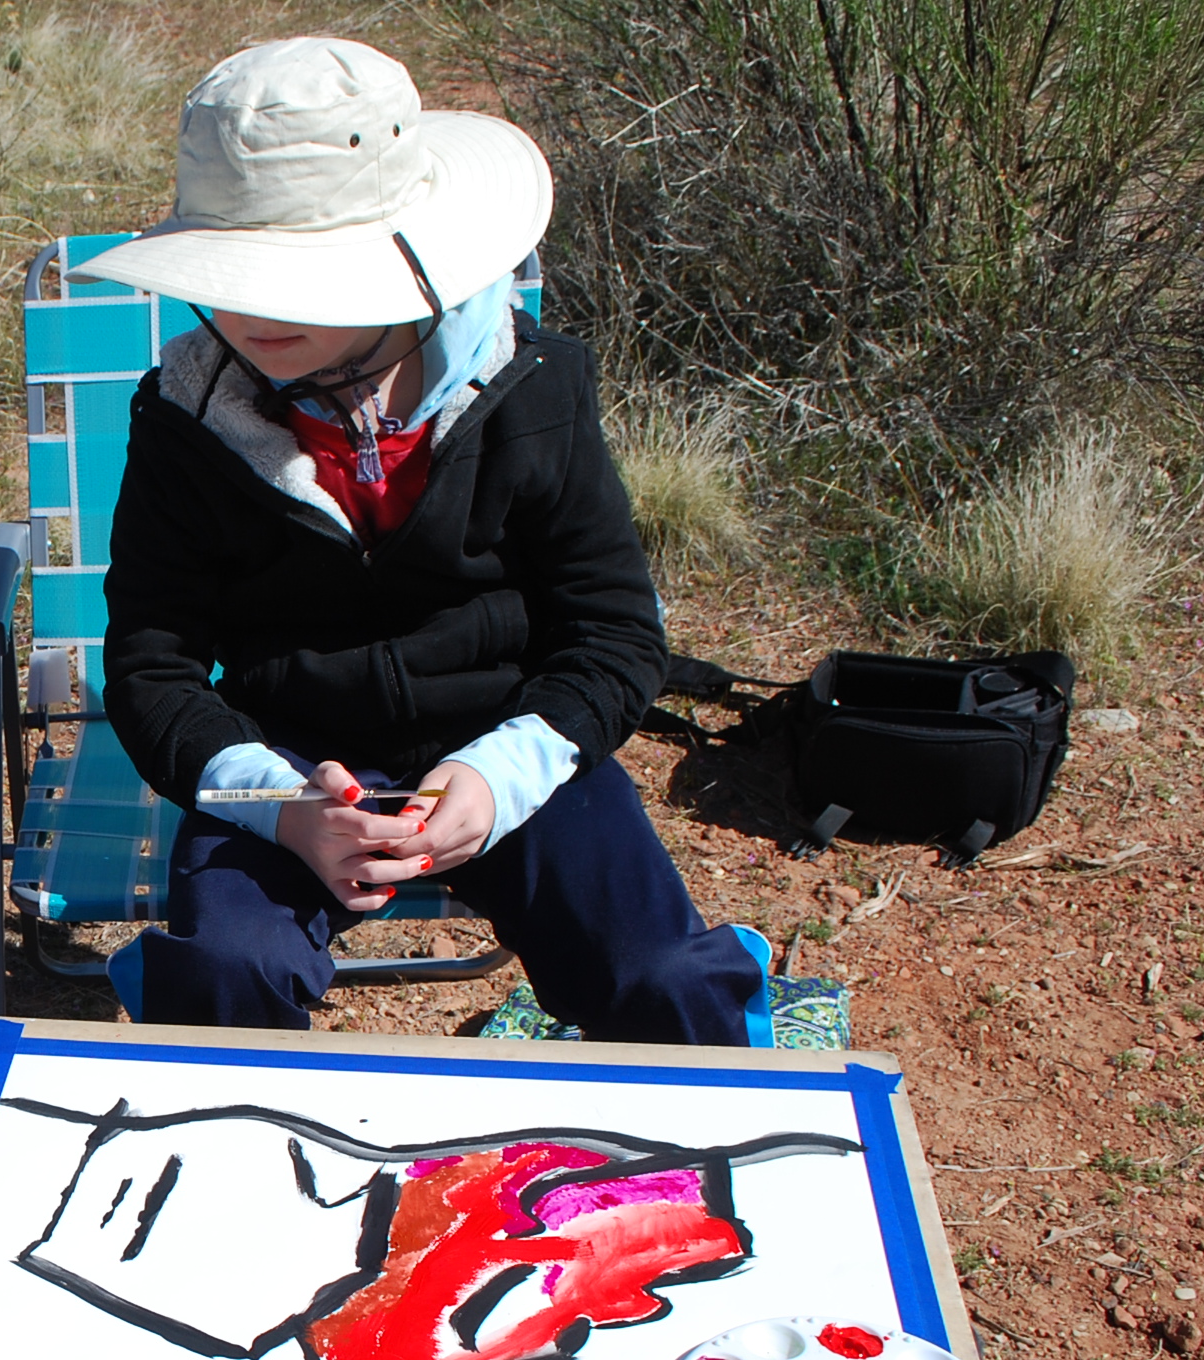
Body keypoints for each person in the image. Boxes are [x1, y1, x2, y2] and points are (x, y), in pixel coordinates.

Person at [84, 40, 771, 1045]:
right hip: (289, 758)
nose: (249, 310)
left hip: (510, 740)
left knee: (660, 980)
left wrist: (498, 777)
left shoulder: (533, 390)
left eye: (296, 274)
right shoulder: (186, 414)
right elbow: (153, 666)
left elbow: (616, 636)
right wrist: (281, 805)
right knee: (226, 980)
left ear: (404, 258)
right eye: (227, 270)